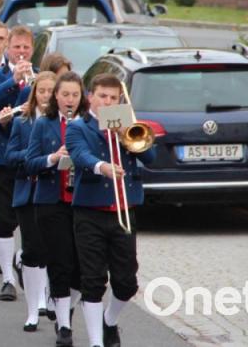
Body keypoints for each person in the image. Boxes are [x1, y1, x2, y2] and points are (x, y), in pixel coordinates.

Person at [65, 73, 156, 347]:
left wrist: (126, 134)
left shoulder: (128, 126)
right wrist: (101, 167)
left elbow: (150, 157)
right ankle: (95, 342)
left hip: (123, 210)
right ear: (90, 97)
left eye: (113, 98)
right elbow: (80, 155)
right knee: (92, 280)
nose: (107, 102)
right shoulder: (78, 127)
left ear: (120, 100)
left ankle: (110, 321)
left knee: (127, 281)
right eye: (102, 96)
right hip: (89, 212)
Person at [25, 71, 88, 345]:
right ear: (56, 97)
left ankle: (66, 306)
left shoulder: (86, 124)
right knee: (60, 263)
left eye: (75, 95)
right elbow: (29, 162)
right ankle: (64, 327)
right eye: (65, 95)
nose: (70, 100)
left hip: (83, 201)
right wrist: (53, 158)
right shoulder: (44, 124)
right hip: (51, 202)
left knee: (82, 269)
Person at [0, 25, 37, 301]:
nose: (22, 52)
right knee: (2, 219)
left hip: (32, 156)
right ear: (8, 48)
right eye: (17, 47)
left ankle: (24, 261)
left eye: (26, 47)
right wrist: (14, 81)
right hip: (2, 155)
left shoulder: (41, 78)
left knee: (30, 219)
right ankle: (8, 279)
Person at [4, 71, 56, 331]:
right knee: (32, 250)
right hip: (28, 192)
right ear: (35, 94)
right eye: (42, 91)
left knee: (53, 249)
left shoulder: (65, 122)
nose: (46, 95)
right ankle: (33, 308)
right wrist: (35, 154)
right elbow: (10, 156)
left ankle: (51, 298)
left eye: (50, 91)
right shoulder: (22, 122)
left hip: (54, 193)